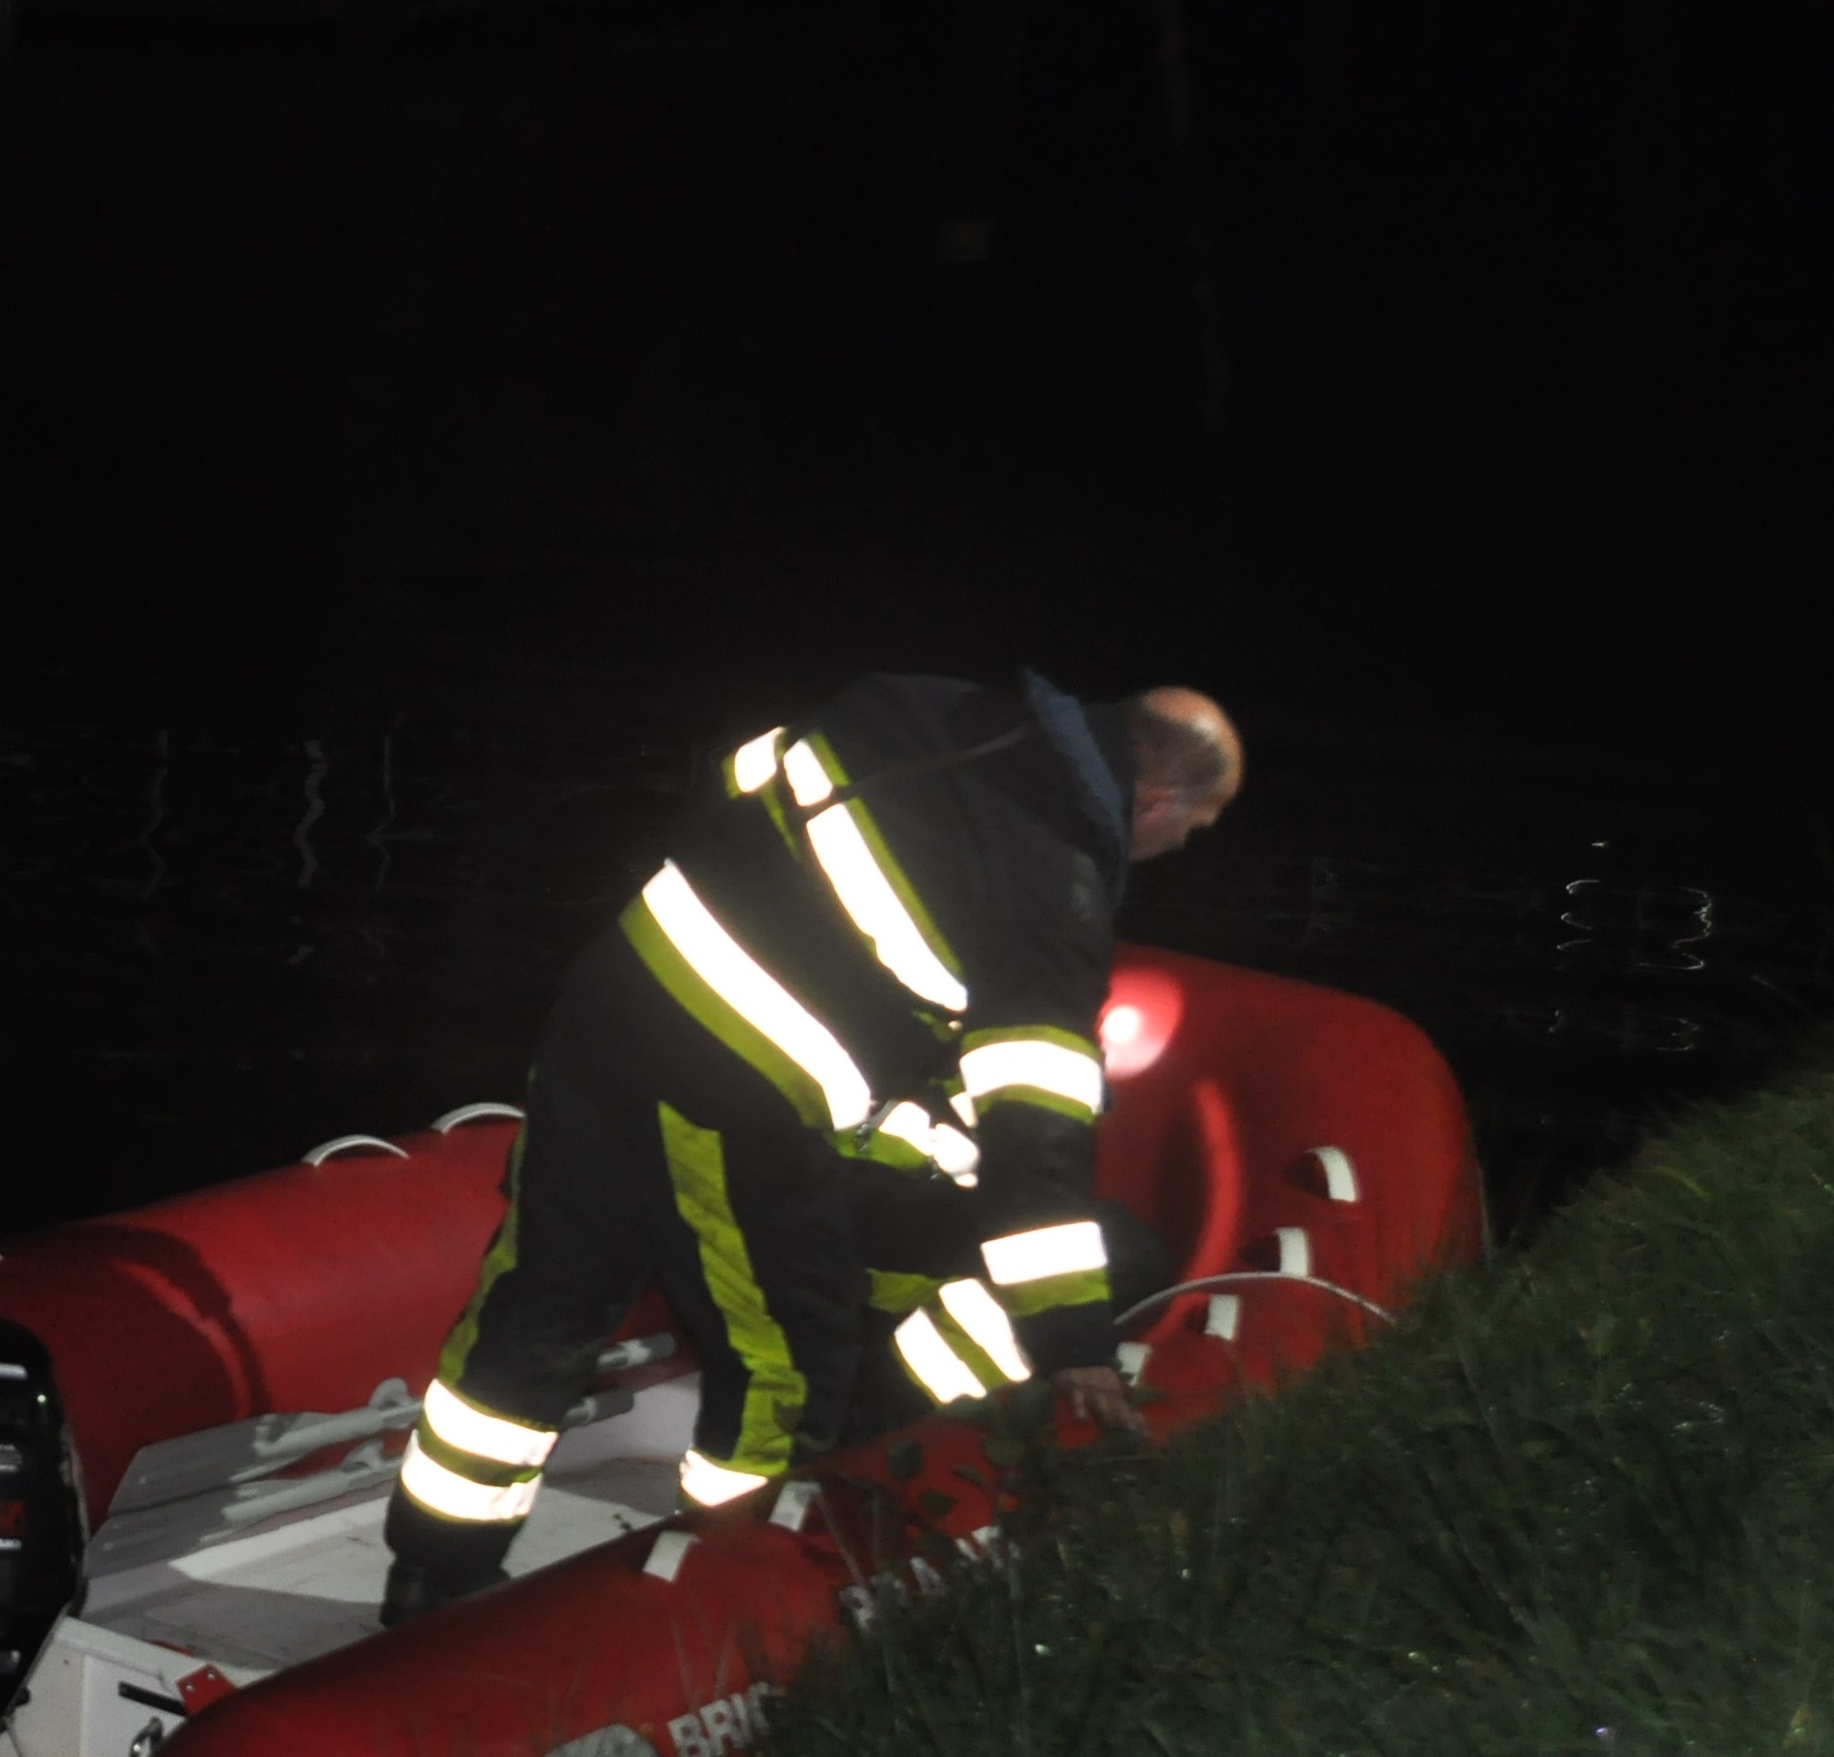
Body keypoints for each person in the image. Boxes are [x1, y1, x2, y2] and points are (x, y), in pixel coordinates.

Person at [384, 676, 1244, 1621]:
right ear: (1157, 798)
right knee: (783, 1369)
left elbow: (741, 774)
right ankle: (728, 1606)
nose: (1179, 848)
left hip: (609, 1010)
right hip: (731, 1090)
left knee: (544, 1298)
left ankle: (432, 1577)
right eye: (1192, 828)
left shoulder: (924, 707)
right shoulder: (1054, 896)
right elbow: (1036, 1142)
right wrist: (1074, 1344)